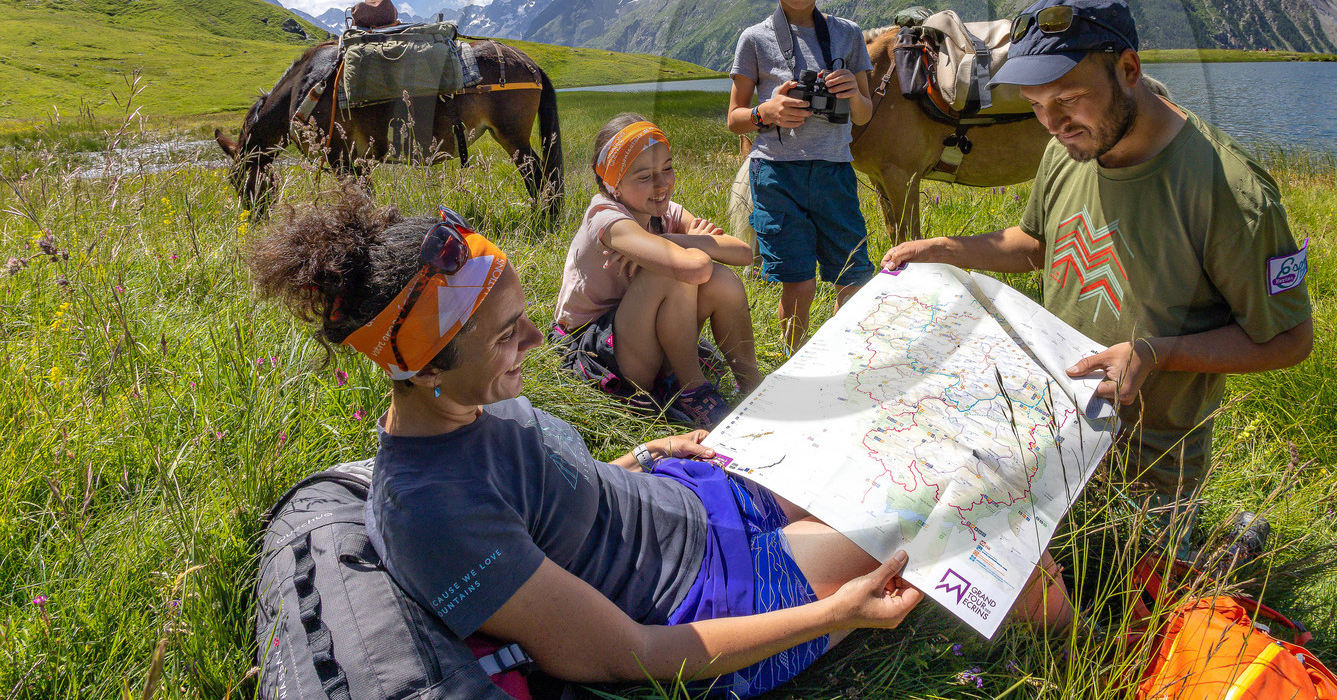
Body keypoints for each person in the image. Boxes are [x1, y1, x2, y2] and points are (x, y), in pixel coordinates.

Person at [245, 191, 1075, 696]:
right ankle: (1084, 649)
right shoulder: (431, 511)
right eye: (506, 334)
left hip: (692, 498)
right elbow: (625, 656)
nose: (535, 340)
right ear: (423, 367)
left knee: (915, 456)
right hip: (704, 597)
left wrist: (643, 457)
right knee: (950, 527)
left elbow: (545, 496)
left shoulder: (470, 400)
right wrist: (834, 613)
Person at [884, 0, 1314, 545]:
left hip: (1150, 462)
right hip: (1053, 428)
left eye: (1068, 98)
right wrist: (945, 247)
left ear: (1129, 69)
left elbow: (1290, 340)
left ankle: (1234, 541)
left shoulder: (1230, 191)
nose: (1053, 123)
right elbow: (1035, 243)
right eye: (1037, 105)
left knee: (1129, 596)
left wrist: (1157, 355)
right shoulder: (1068, 148)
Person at [550, 113, 761, 428]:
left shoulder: (663, 215)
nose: (662, 184)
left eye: (667, 168)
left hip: (637, 336)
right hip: (595, 350)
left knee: (723, 280)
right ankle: (692, 391)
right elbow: (695, 266)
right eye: (644, 176)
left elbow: (743, 253)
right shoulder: (606, 217)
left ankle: (750, 381)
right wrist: (692, 246)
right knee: (673, 272)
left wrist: (669, 239)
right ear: (613, 184)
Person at [727, 0, 875, 352]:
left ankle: (840, 353)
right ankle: (795, 361)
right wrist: (766, 112)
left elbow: (865, 115)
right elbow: (734, 116)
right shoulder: (754, 39)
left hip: (833, 170)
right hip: (776, 174)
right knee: (799, 283)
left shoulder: (848, 35)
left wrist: (851, 92)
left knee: (853, 275)